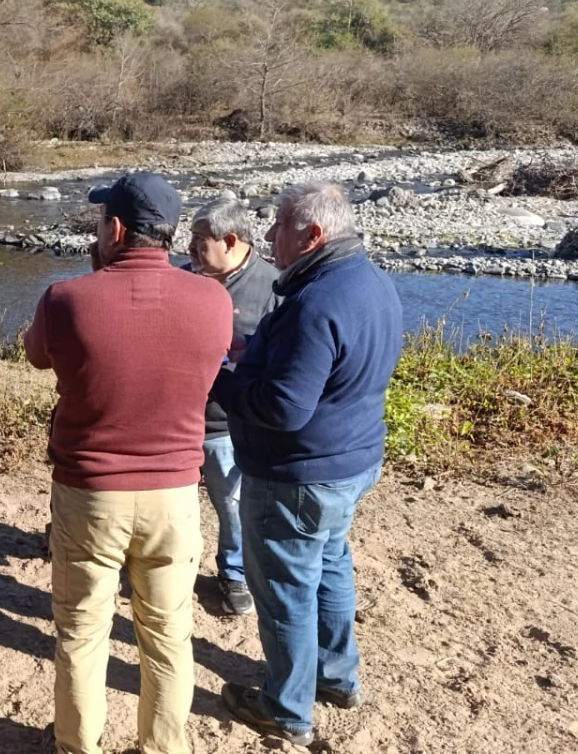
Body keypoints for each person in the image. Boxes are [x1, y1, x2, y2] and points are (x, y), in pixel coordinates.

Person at [25, 172, 233, 754]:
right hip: (174, 496)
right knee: (168, 638)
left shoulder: (66, 298)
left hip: (90, 493)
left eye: (100, 222)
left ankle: (78, 746)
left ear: (115, 229)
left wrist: (98, 281)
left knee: (82, 633)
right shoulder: (214, 298)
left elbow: (37, 353)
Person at [211, 182, 402, 748]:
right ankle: (338, 679)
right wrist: (257, 353)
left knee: (286, 587)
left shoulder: (315, 303)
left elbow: (282, 408)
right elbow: (332, 366)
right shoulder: (368, 280)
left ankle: (285, 708)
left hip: (299, 474)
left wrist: (216, 376)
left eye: (278, 227)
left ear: (313, 235)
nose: (267, 237)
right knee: (332, 563)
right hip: (353, 460)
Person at [184, 199, 280, 616]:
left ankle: (234, 574)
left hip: (229, 426)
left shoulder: (274, 289)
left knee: (234, 507)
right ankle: (170, 571)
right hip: (177, 420)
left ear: (231, 241)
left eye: (199, 239)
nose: (188, 247)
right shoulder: (184, 279)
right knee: (173, 507)